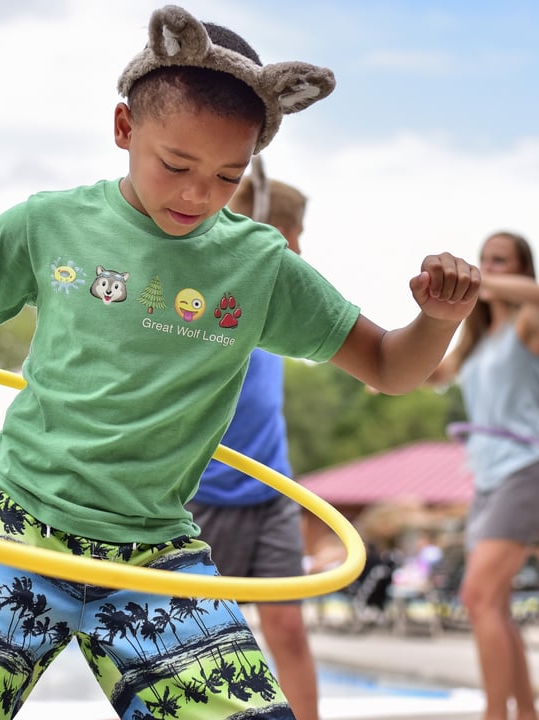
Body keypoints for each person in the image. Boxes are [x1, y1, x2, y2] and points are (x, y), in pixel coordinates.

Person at [0, 6, 480, 719]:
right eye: (177, 165)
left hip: (151, 546)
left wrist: (437, 319)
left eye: (228, 175)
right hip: (21, 525)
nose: (199, 194)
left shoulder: (258, 264)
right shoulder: (51, 222)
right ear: (126, 129)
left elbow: (388, 367)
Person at [182, 160, 321, 720]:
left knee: (286, 627)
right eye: (299, 234)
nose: (301, 246)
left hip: (271, 488)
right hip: (206, 492)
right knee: (203, 645)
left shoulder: (279, 289)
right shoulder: (215, 283)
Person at [427, 230, 539, 720]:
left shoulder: (530, 326)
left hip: (528, 469)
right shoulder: (476, 344)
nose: (488, 268)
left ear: (522, 268)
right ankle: (525, 713)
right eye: (484, 260)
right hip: (487, 480)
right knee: (495, 607)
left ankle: (495, 715)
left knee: (477, 596)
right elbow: (427, 372)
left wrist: (484, 282)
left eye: (500, 261)